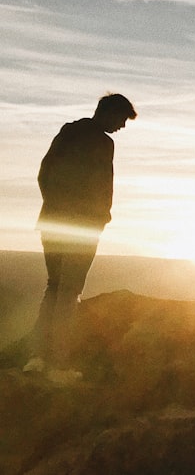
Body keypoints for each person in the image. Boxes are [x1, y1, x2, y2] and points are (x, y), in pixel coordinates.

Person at [30, 93, 137, 368]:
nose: (122, 127)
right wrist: (98, 218)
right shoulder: (103, 143)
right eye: (122, 119)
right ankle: (58, 361)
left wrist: (55, 208)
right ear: (109, 113)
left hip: (54, 223)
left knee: (54, 287)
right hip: (83, 227)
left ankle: (38, 358)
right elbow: (103, 185)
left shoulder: (69, 131)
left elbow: (44, 172)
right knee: (69, 289)